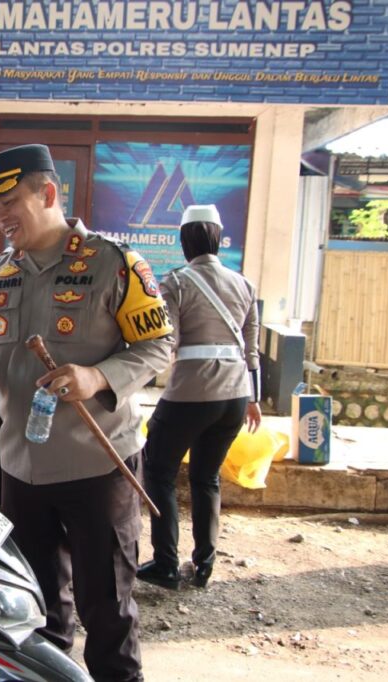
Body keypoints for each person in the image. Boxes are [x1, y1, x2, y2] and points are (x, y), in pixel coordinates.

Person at [0, 144, 174, 681]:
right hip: (21, 468)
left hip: (98, 466)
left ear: (48, 193)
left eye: (9, 202)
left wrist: (96, 377)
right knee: (37, 606)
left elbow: (158, 345)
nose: (1, 217)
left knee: (106, 609)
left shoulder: (114, 262)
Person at [138, 204, 262, 591]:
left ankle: (166, 564)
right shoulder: (244, 285)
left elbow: (165, 341)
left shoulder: (175, 282)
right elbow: (251, 349)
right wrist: (254, 398)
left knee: (158, 470)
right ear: (219, 240)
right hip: (237, 395)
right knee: (206, 477)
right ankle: (205, 565)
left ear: (183, 241)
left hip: (191, 393)